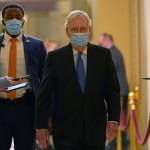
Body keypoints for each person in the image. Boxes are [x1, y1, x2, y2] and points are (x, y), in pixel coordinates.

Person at [36, 10, 120, 150]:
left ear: (89, 30)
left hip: (95, 131)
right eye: (75, 29)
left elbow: (113, 90)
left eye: (83, 29)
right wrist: (41, 126)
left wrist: (113, 119)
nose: (79, 33)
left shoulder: (103, 55)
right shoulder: (55, 58)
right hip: (65, 132)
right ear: (67, 31)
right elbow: (44, 95)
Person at [0, 3, 46, 150]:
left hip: (26, 109)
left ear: (23, 21)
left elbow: (45, 79)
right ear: (3, 22)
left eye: (17, 17)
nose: (14, 20)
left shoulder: (36, 45)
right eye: (9, 17)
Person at [98, 33, 129, 150]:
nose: (100, 45)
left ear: (107, 41)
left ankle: (116, 144)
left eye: (101, 42)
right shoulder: (115, 51)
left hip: (119, 90)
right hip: (120, 90)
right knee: (120, 119)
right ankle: (117, 143)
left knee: (118, 119)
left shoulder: (112, 53)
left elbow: (110, 73)